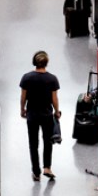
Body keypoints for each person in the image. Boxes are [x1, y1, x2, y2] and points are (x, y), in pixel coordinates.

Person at [20, 50, 60, 183]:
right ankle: (47, 168)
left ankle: (36, 172)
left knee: (33, 144)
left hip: (32, 115)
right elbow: (54, 99)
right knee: (48, 142)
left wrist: (22, 110)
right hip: (47, 115)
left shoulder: (27, 77)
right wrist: (57, 111)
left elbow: (23, 97)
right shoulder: (52, 79)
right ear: (46, 63)